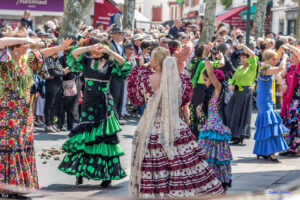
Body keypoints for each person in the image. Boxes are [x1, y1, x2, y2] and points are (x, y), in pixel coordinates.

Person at [127, 47, 224, 198]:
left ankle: (156, 193)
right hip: (174, 126)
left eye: (151, 58)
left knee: (154, 165)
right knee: (177, 162)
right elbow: (183, 101)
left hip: (150, 128)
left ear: (157, 62)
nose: (149, 61)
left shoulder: (144, 79)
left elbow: (136, 99)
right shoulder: (180, 80)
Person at [0, 36, 70, 199]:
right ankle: (6, 186)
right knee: (8, 146)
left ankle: (19, 186)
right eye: (23, 44)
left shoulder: (26, 59)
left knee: (22, 145)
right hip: (6, 113)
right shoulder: (4, 61)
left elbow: (42, 53)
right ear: (14, 47)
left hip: (23, 113)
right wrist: (23, 37)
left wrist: (60, 47)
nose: (27, 46)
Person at [58, 37, 130, 187]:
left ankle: (107, 176)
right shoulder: (86, 59)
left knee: (106, 137)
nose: (95, 52)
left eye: (98, 49)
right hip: (88, 104)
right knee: (85, 137)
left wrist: (108, 50)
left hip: (104, 104)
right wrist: (88, 48)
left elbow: (124, 63)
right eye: (93, 49)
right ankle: (79, 173)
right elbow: (73, 54)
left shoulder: (110, 63)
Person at [198, 44, 232, 191]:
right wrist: (201, 106)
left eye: (206, 80)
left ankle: (218, 180)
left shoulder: (218, 89)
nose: (205, 82)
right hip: (210, 126)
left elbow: (211, 74)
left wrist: (206, 57)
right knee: (209, 155)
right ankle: (210, 179)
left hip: (216, 127)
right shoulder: (210, 93)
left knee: (216, 155)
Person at [253, 49, 289, 163]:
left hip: (266, 99)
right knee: (270, 125)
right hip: (264, 101)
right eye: (273, 59)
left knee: (266, 125)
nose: (275, 60)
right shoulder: (265, 68)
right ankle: (271, 153)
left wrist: (281, 51)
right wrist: (285, 57)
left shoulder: (265, 67)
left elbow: (277, 71)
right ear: (268, 59)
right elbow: (280, 68)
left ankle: (263, 151)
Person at [225, 44, 257, 144]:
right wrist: (231, 84)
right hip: (236, 92)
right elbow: (232, 79)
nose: (242, 59)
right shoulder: (239, 68)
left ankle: (240, 136)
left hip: (245, 93)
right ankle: (234, 134)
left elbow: (252, 54)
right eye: (241, 57)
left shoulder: (252, 67)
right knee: (231, 111)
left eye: (244, 57)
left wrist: (243, 45)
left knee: (241, 114)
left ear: (248, 58)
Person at [277, 44, 300, 157]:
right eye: (291, 56)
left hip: (298, 103)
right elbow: (278, 75)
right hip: (291, 102)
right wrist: (283, 82)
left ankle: (296, 148)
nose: (292, 58)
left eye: (294, 56)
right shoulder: (290, 67)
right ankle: (288, 147)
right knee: (289, 123)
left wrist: (290, 46)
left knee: (297, 125)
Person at [44, 43, 71, 132]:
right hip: (51, 84)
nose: (60, 52)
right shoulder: (49, 59)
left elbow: (59, 69)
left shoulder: (56, 60)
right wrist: (63, 72)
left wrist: (61, 71)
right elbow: (53, 72)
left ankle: (52, 123)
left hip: (58, 84)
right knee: (49, 105)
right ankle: (48, 124)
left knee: (54, 105)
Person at [109, 27, 126, 122]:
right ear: (113, 35)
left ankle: (117, 117)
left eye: (122, 34)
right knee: (114, 96)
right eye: (120, 33)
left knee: (120, 96)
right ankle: (113, 119)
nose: (122, 35)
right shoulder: (110, 45)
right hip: (114, 74)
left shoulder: (120, 45)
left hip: (121, 74)